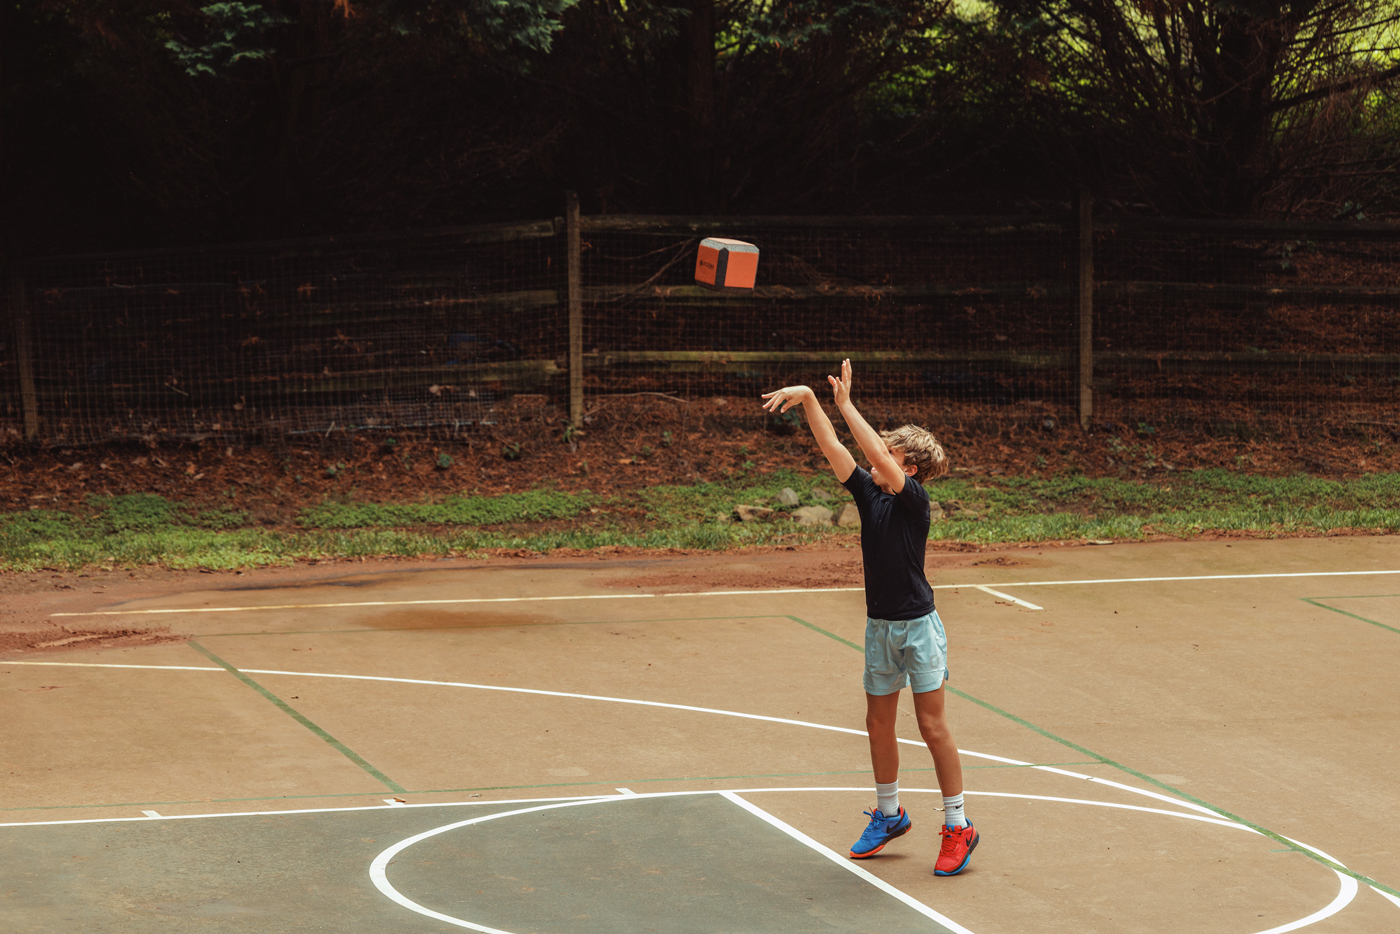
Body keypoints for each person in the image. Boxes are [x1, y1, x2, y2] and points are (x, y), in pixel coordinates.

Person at [761, 359, 979, 877]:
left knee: (931, 726)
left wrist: (846, 404)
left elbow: (870, 450)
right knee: (877, 724)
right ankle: (889, 814)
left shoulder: (914, 504)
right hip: (880, 626)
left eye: (891, 454)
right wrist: (813, 400)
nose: (877, 458)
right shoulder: (869, 496)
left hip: (919, 628)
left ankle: (957, 826)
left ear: (910, 470)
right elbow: (836, 450)